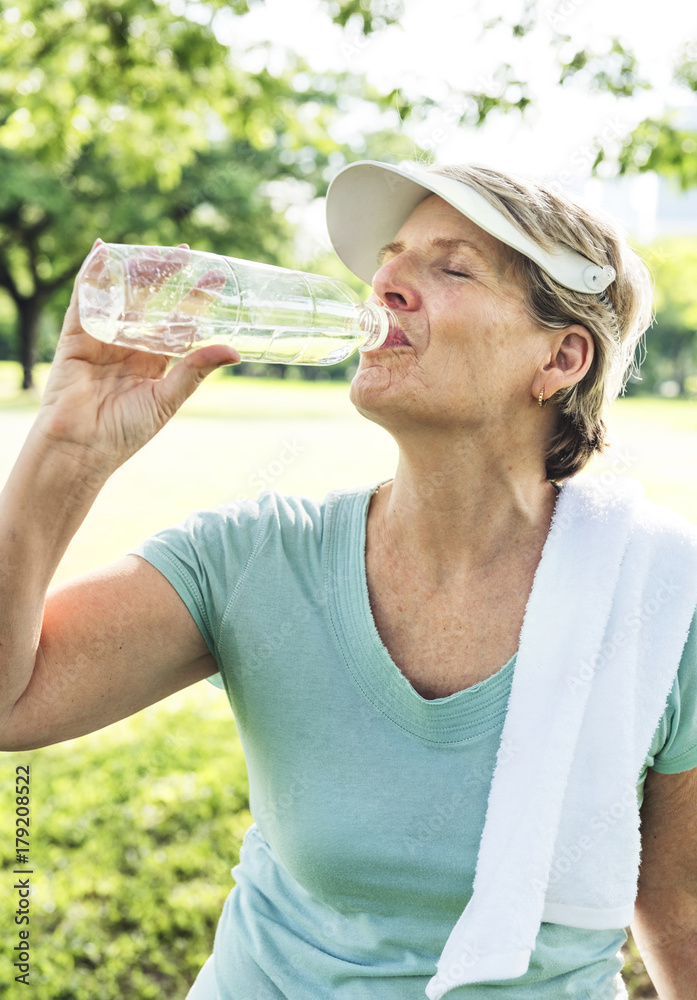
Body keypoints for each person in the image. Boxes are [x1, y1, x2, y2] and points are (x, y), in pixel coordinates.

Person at [1, 158, 696, 1000]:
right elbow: (15, 700)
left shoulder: (661, 596)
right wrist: (66, 454)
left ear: (560, 358)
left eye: (450, 267)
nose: (386, 284)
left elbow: (677, 900)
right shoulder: (253, 557)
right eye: (390, 259)